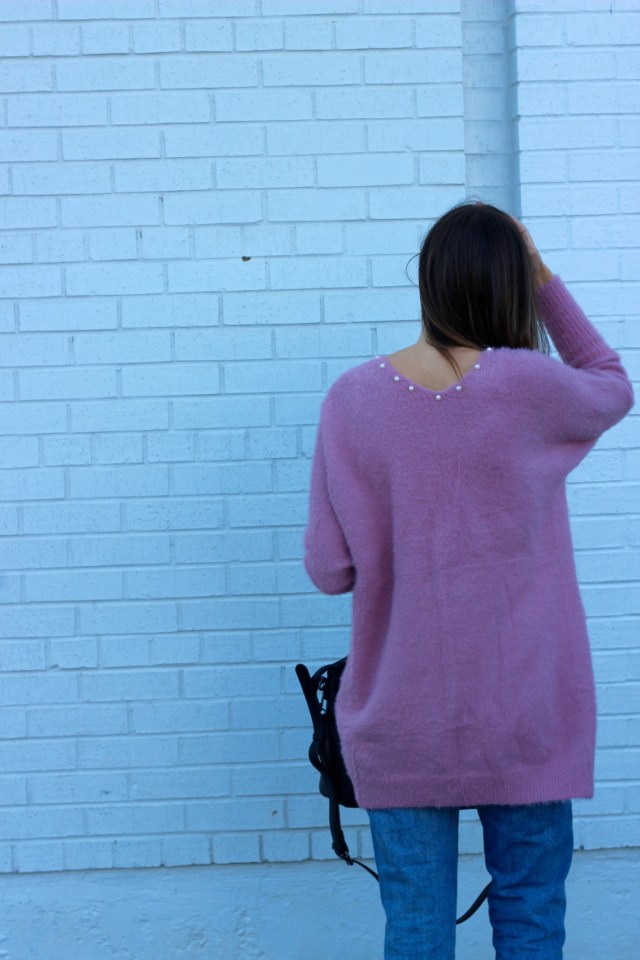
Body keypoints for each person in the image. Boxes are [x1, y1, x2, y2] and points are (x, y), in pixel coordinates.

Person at [302, 200, 635, 959]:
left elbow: (329, 569)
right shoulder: (532, 386)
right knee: (530, 916)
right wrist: (546, 278)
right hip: (526, 714)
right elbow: (611, 383)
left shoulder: (351, 400)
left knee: (416, 930)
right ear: (510, 285)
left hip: (400, 718)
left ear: (429, 282)